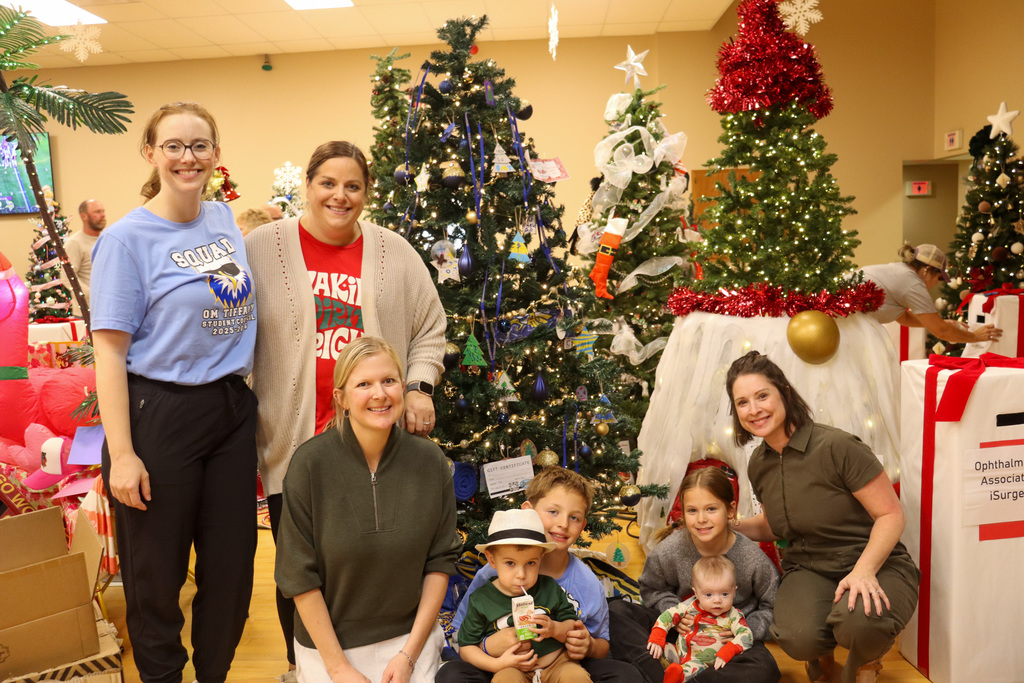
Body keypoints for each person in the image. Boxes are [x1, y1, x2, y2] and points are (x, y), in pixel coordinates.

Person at [245, 140, 445, 679]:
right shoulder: (263, 245)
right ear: (307, 186)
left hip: (379, 439)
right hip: (294, 444)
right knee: (300, 570)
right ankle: (303, 666)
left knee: (381, 562)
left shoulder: (394, 251)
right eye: (328, 183)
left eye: (352, 185)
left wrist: (420, 385)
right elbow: (231, 326)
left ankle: (387, 657)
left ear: (366, 192)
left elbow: (431, 327)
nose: (340, 195)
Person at [91, 102, 258, 683]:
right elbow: (109, 352)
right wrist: (125, 452)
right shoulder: (126, 240)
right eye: (174, 146)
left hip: (232, 411)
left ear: (215, 153)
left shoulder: (220, 219)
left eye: (200, 145)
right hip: (158, 412)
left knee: (232, 572)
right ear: (151, 153)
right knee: (157, 580)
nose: (188, 157)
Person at [274, 336, 460, 683]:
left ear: (402, 387)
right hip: (328, 649)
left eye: (389, 381)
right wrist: (339, 668)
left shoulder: (430, 462)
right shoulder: (310, 465)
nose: (380, 394)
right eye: (364, 384)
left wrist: (408, 656)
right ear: (341, 398)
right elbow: (298, 576)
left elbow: (440, 563)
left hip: (410, 642)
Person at [726, 350, 920, 683]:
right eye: (742, 402)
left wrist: (864, 571)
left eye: (762, 396)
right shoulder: (759, 462)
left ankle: (865, 662)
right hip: (810, 567)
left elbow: (891, 514)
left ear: (784, 391)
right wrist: (728, 526)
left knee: (860, 624)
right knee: (795, 635)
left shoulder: (837, 446)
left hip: (873, 561)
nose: (754, 409)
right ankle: (821, 658)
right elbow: (775, 525)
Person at [441, 467, 641, 682]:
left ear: (583, 525)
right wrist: (489, 647)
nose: (563, 524)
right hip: (506, 665)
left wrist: (588, 645)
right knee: (451, 674)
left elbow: (602, 647)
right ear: (528, 511)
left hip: (561, 664)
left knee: (626, 675)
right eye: (553, 512)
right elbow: (463, 640)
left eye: (574, 517)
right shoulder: (491, 573)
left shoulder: (587, 582)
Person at [609, 467, 780, 683]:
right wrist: (673, 613)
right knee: (616, 610)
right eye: (692, 511)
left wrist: (747, 628)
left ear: (730, 510)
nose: (701, 519)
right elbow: (652, 588)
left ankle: (687, 678)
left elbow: (772, 606)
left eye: (710, 509)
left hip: (728, 643)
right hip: (680, 629)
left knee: (765, 669)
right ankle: (658, 671)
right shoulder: (669, 551)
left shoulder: (752, 558)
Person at [457, 508, 591, 683]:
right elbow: (466, 647)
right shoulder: (481, 600)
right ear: (491, 560)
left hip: (558, 663)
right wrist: (496, 665)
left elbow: (573, 625)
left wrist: (555, 629)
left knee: (576, 678)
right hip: (511, 668)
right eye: (510, 563)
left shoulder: (549, 587)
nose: (521, 574)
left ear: (541, 558)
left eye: (530, 563)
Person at [859, 242, 1001, 344]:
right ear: (927, 270)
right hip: (851, 326)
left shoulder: (898, 270)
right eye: (938, 278)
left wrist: (940, 322)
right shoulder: (912, 283)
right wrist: (975, 336)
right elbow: (941, 331)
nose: (934, 284)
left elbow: (904, 318)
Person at [646, 556, 753, 683]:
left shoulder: (733, 616)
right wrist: (658, 636)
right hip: (678, 652)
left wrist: (727, 652)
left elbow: (746, 635)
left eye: (725, 594)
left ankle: (676, 677)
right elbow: (668, 615)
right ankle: (665, 671)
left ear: (734, 592)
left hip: (704, 662)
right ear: (696, 593)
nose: (717, 600)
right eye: (708, 594)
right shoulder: (689, 606)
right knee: (655, 649)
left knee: (695, 668)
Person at [61, 198, 106, 313]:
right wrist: (93, 294)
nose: (102, 215)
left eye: (102, 211)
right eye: (97, 212)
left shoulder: (106, 240)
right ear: (84, 216)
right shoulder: (75, 243)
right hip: (87, 312)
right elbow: (67, 277)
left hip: (108, 309)